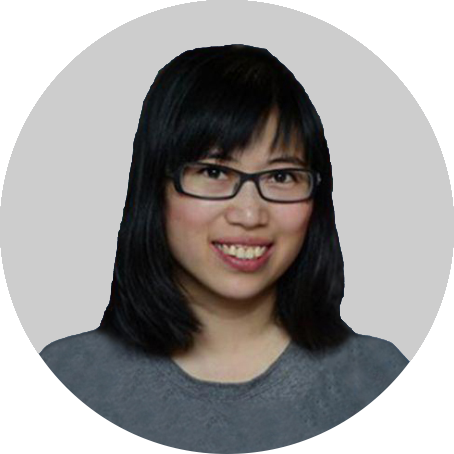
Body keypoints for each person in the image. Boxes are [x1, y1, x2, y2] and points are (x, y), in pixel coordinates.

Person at [40, 44, 409, 450]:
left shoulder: (378, 376)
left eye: (281, 176)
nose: (249, 215)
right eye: (214, 171)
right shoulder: (68, 375)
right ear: (154, 189)